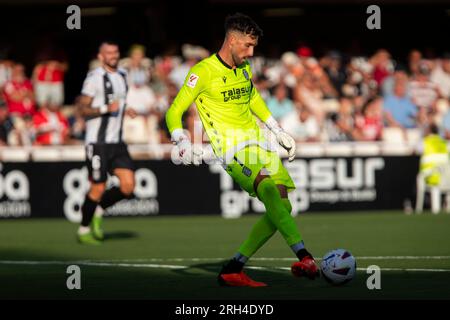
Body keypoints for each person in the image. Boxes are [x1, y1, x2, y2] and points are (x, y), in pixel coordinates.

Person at [165, 13, 319, 287]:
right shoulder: (202, 72)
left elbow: (253, 98)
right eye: (247, 46)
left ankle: (233, 268)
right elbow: (174, 111)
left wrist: (277, 129)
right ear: (232, 40)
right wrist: (182, 141)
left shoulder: (244, 69)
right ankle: (305, 256)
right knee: (269, 190)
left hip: (259, 142)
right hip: (232, 148)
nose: (250, 53)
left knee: (281, 205)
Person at [77, 41, 137, 245]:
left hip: (117, 142)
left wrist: (125, 109)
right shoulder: (94, 78)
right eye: (108, 52)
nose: (113, 55)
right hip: (97, 143)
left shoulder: (122, 75)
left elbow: (120, 100)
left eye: (115, 51)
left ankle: (99, 209)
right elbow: (82, 108)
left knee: (128, 186)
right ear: (101, 56)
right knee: (97, 187)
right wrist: (105, 109)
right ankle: (84, 229)